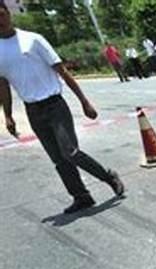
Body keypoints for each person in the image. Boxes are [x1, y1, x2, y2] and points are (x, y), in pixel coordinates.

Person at [0, 1, 124, 214]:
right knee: (57, 159)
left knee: (70, 152)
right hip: (33, 110)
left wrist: (84, 101)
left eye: (0, 14)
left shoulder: (33, 40)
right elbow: (3, 85)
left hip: (54, 105)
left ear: (7, 14)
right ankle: (81, 197)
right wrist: (8, 116)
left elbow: (63, 71)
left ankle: (108, 176)